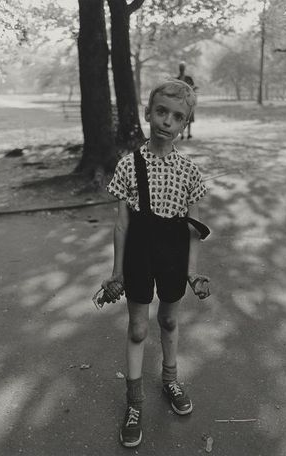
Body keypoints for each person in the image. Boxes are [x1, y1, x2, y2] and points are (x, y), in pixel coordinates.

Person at [101, 79, 212, 448]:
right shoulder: (129, 165)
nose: (167, 121)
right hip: (138, 255)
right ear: (148, 113)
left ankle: (170, 379)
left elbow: (194, 229)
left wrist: (192, 272)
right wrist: (116, 272)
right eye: (161, 112)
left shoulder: (190, 173)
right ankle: (134, 404)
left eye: (177, 116)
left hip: (173, 256)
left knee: (168, 319)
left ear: (186, 124)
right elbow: (121, 224)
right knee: (137, 328)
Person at [177, 62, 197, 139]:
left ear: (184, 69)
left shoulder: (189, 78)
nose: (181, 69)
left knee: (189, 118)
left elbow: (193, 87)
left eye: (182, 68)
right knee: (181, 118)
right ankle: (182, 134)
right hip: (180, 101)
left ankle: (189, 133)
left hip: (188, 100)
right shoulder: (177, 79)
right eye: (180, 68)